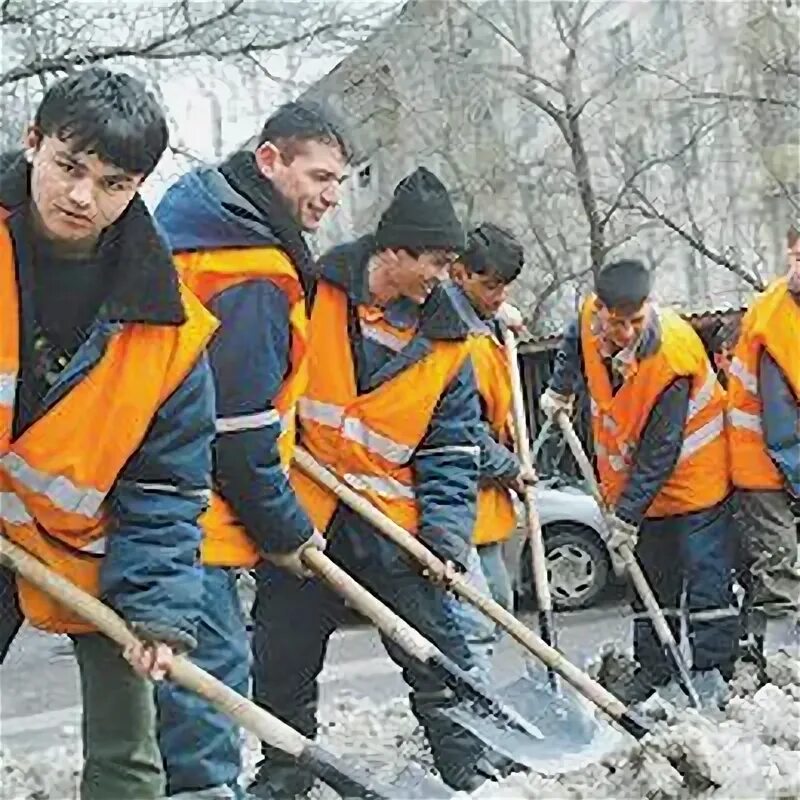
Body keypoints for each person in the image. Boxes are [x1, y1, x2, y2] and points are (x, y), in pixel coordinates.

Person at [0, 67, 217, 800]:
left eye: (114, 182)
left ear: (138, 187)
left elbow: (165, 484)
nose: (82, 196)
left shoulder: (169, 329)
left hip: (89, 547)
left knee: (128, 753)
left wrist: (155, 608)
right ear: (33, 143)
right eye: (69, 166)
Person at [251, 167, 498, 796]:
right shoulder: (313, 292)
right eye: (437, 261)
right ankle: (284, 774)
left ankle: (470, 768)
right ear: (394, 250)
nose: (445, 277)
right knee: (282, 661)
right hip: (303, 520)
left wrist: (445, 538)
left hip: (394, 530)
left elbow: (451, 447)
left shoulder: (448, 339)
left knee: (438, 657)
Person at [154, 102, 348, 798]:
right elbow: (237, 432)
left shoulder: (192, 223)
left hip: (158, 500)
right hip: (192, 512)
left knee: (167, 701)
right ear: (270, 161)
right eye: (318, 175)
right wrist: (287, 528)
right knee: (209, 690)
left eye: (339, 182)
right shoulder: (250, 269)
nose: (329, 195)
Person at [540, 259, 738, 701]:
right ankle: (655, 669)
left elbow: (660, 450)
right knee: (650, 579)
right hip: (640, 488)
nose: (626, 333)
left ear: (648, 307)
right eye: (616, 323)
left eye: (634, 322)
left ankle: (712, 671)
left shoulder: (673, 354)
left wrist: (626, 516)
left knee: (706, 579)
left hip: (695, 481)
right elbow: (574, 339)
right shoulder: (590, 321)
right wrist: (561, 387)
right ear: (601, 313)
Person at [448, 224, 529, 663]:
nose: (498, 295)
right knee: (475, 619)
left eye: (505, 287)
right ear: (458, 273)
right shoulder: (454, 336)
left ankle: (489, 701)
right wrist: (511, 468)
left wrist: (496, 316)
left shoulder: (482, 325)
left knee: (499, 599)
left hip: (482, 498)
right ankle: (467, 714)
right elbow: (463, 428)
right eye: (490, 285)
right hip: (454, 493)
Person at [727, 221, 800, 672]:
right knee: (780, 566)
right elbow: (782, 427)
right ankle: (783, 670)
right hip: (765, 462)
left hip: (785, 455)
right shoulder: (775, 319)